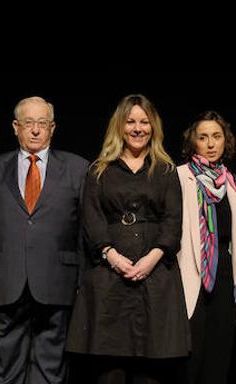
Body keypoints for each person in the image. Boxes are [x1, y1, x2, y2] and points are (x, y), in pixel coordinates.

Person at [66, 94, 189, 384]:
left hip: (155, 279)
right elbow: (92, 220)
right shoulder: (99, 169)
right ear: (119, 127)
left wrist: (151, 259)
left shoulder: (166, 170)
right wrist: (112, 256)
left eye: (144, 122)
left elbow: (173, 222)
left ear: (153, 127)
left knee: (150, 372)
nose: (138, 128)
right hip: (109, 282)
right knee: (109, 373)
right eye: (131, 121)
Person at [0, 96, 88, 384]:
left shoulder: (78, 169)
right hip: (7, 279)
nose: (36, 130)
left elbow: (84, 232)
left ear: (52, 128)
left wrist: (82, 283)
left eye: (42, 123)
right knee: (5, 367)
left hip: (58, 280)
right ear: (16, 127)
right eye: (29, 123)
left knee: (51, 368)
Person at [176, 111, 236, 384]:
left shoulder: (230, 181)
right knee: (190, 361)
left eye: (217, 136)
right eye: (203, 137)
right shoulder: (179, 176)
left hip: (225, 278)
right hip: (192, 276)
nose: (211, 143)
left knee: (218, 360)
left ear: (225, 141)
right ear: (193, 142)